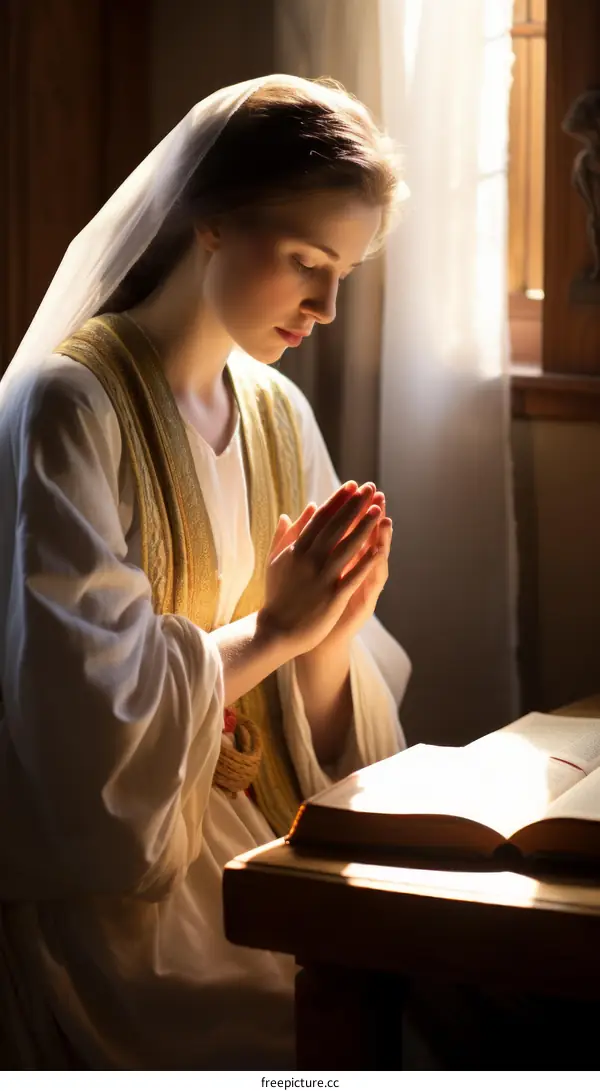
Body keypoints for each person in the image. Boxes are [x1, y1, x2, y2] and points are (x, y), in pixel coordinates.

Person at [0, 74, 411, 1069]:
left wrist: (331, 629)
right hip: (130, 896)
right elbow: (77, 740)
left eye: (344, 272)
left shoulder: (278, 412)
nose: (326, 305)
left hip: (273, 838)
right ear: (212, 220)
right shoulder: (73, 406)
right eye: (308, 261)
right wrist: (272, 631)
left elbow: (324, 739)